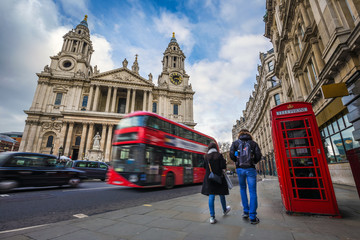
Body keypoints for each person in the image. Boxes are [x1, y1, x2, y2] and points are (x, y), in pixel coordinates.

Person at [230, 129, 262, 225]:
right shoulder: (253, 143)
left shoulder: (235, 143)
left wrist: (237, 161)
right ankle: (252, 216)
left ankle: (245, 211)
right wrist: (253, 162)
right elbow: (258, 156)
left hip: (240, 169)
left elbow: (231, 155)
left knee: (242, 189)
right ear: (249, 134)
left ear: (239, 134)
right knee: (252, 192)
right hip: (250, 169)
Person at [201, 142, 231, 224]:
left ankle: (212, 217)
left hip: (210, 178)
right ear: (215, 148)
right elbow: (223, 166)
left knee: (211, 196)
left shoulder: (206, 156)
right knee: (221, 194)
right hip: (219, 178)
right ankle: (225, 209)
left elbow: (204, 166)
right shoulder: (219, 155)